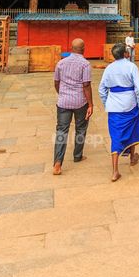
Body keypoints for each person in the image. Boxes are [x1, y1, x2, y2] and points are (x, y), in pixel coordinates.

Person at [97, 42, 139, 182]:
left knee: (116, 136)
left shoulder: (109, 68)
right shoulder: (131, 66)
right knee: (134, 130)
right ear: (125, 54)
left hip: (114, 107)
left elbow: (101, 89)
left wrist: (108, 103)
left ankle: (115, 170)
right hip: (130, 104)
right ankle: (132, 157)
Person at [52, 38, 93, 176]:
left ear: (71, 48)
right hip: (80, 101)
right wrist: (91, 104)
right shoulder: (85, 64)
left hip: (63, 102)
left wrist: (62, 93)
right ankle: (77, 155)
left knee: (61, 131)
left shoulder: (61, 63)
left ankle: (57, 163)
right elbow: (86, 85)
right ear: (83, 49)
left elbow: (56, 82)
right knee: (80, 128)